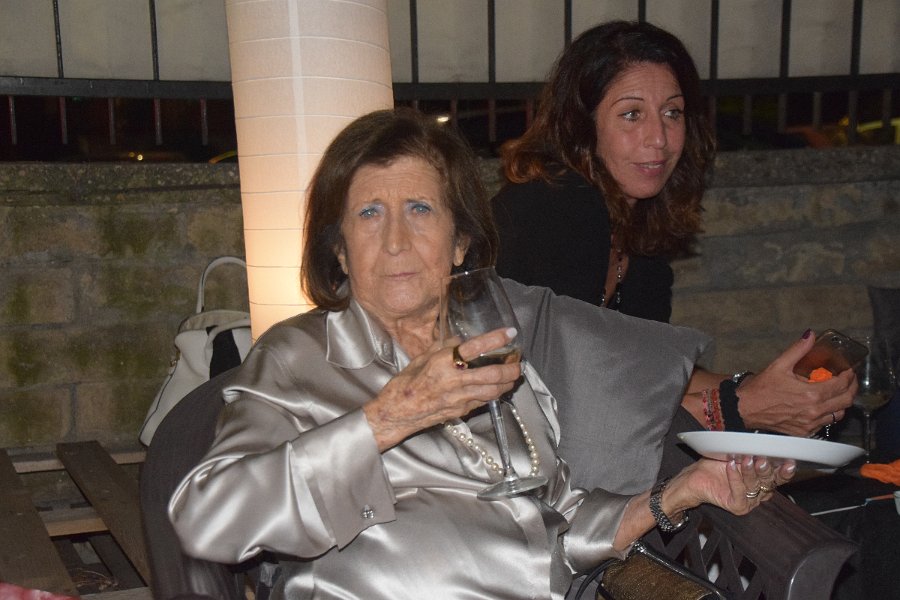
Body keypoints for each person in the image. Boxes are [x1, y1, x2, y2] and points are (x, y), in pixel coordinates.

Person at [168, 109, 794, 598]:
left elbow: (556, 527)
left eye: (419, 209)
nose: (395, 240)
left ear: (460, 242)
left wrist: (678, 493)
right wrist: (387, 419)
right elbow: (206, 518)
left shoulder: (496, 357)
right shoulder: (297, 357)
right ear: (339, 250)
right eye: (369, 213)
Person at [492, 20, 856, 438]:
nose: (659, 139)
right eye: (631, 114)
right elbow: (566, 399)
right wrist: (740, 406)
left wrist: (771, 389)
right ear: (582, 126)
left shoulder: (636, 230)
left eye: (672, 113)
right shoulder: (556, 205)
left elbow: (649, 371)